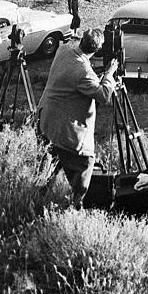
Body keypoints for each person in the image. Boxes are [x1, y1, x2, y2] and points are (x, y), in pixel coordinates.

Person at [38, 29, 117, 208]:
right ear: (97, 50)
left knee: (52, 161)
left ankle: (39, 198)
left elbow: (76, 79)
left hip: (47, 121)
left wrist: (99, 77)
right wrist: (109, 75)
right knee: (85, 163)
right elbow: (104, 96)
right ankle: (77, 205)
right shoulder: (84, 71)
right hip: (64, 130)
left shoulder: (63, 50)